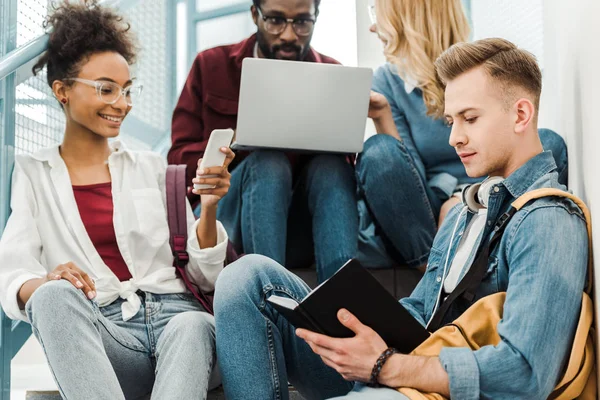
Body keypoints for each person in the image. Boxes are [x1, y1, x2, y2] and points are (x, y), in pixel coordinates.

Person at [213, 37, 587, 399]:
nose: (454, 137)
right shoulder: (465, 212)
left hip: (418, 380)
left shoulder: (548, 221)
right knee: (244, 277)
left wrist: (384, 365)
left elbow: (524, 375)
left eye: (469, 119)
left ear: (521, 114)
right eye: (451, 121)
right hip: (394, 365)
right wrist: (353, 328)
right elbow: (421, 314)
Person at [0, 1, 234, 398]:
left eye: (126, 90)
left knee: (193, 326)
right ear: (62, 91)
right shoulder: (33, 174)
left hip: (179, 328)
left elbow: (204, 276)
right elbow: (13, 272)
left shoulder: (152, 167)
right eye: (105, 89)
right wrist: (46, 280)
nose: (122, 103)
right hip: (105, 337)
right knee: (52, 296)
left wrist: (208, 209)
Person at [357, 0, 568, 269]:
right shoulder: (387, 80)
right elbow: (406, 179)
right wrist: (383, 116)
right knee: (380, 151)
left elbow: (507, 146)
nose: (373, 27)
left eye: (378, 14)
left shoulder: (481, 70)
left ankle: (488, 249)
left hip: (488, 194)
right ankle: (435, 268)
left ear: (409, 19)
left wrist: (465, 196)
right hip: (430, 205)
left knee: (549, 143)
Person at [168, 0, 358, 282]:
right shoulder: (211, 66)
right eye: (276, 20)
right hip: (227, 216)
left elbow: (343, 176)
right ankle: (269, 302)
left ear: (316, 17)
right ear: (255, 14)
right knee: (269, 162)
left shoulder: (333, 73)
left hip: (301, 227)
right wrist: (238, 146)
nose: (289, 35)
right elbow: (178, 160)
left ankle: (343, 305)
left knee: (332, 166)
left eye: (303, 22)